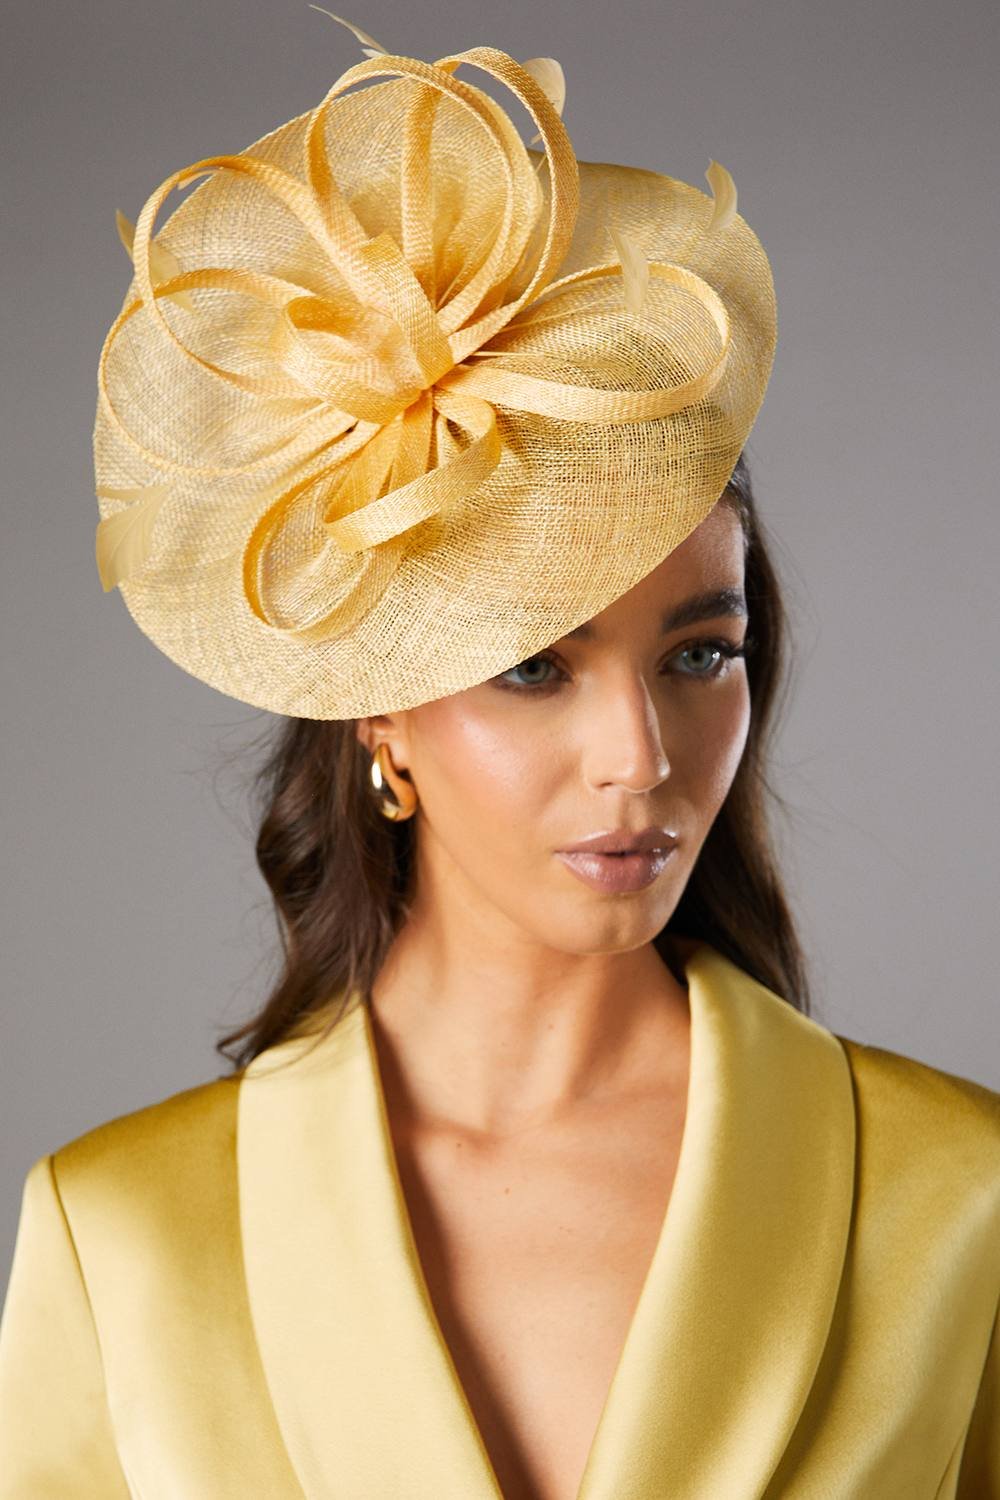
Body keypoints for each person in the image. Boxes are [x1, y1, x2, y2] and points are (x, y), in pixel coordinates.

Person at [0, 18, 997, 1500]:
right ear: (377, 712)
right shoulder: (124, 1236)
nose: (639, 757)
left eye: (699, 655)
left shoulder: (958, 1194)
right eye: (535, 665)